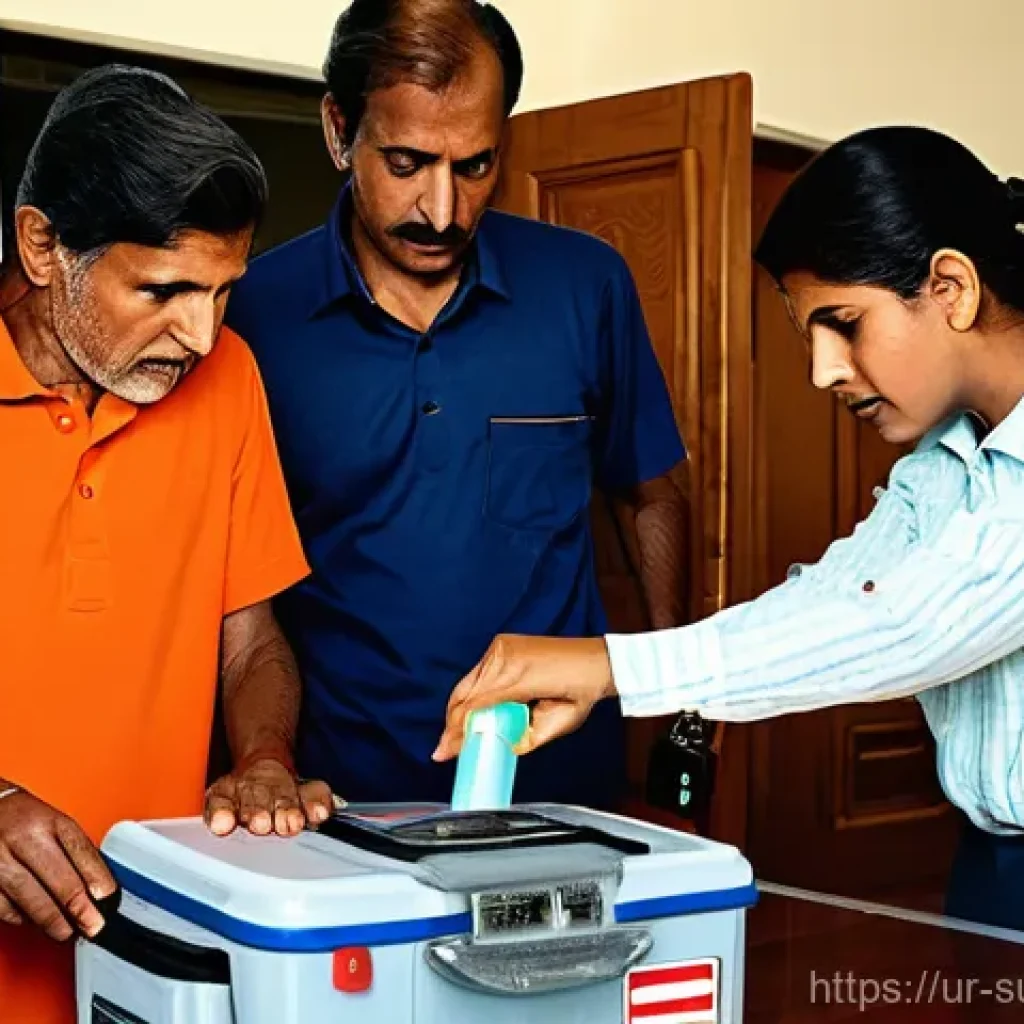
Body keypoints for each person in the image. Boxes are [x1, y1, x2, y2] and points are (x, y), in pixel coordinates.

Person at [435, 125, 1024, 930]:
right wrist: (611, 672)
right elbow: (831, 599)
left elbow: (906, 627)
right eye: (807, 334)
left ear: (951, 287)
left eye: (844, 323)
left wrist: (610, 666)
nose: (823, 370)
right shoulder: (942, 465)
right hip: (991, 866)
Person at [225, 0, 688, 809]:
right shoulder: (250, 314)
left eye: (474, 166)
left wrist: (672, 695)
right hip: (338, 799)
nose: (443, 211)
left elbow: (648, 496)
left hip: (558, 792)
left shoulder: (587, 286)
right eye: (406, 163)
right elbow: (236, 589)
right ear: (340, 131)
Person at [0, 65, 333, 1023]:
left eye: (225, 290)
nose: (201, 332)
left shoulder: (228, 379)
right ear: (42, 244)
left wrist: (264, 755)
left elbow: (253, 638)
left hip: (154, 976)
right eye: (165, 289)